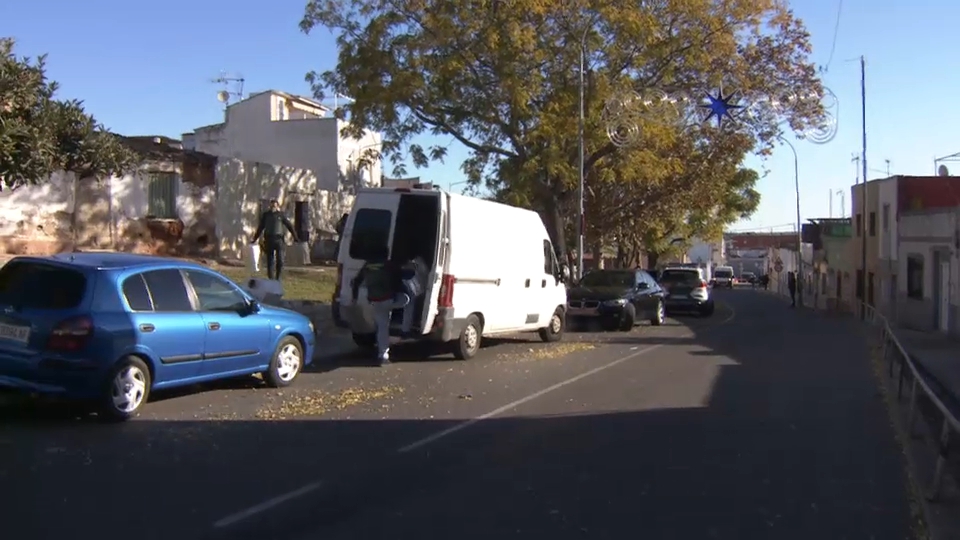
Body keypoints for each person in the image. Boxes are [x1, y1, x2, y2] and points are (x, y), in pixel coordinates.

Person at [351, 244, 408, 365]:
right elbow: (398, 280)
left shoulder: (368, 265)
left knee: (381, 324)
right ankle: (383, 355)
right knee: (405, 300)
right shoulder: (389, 265)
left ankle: (383, 348)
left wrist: (354, 297)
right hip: (388, 299)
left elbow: (356, 281)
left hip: (374, 299)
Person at [251, 199, 298, 280]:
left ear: (277, 206)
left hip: (279, 239)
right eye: (272, 205)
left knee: (280, 260)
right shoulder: (266, 215)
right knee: (270, 260)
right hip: (269, 239)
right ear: (270, 206)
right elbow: (260, 228)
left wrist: (295, 237)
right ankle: (271, 278)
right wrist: (255, 238)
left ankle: (278, 277)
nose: (273, 207)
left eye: (275, 205)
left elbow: (289, 226)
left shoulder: (281, 215)